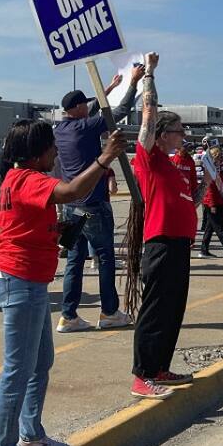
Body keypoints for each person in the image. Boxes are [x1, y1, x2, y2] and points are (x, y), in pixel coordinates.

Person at [0, 119, 127, 446]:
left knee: (39, 362)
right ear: (37, 153)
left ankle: (31, 436)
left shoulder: (15, 178)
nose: (56, 154)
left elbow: (28, 219)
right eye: (52, 148)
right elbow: (70, 192)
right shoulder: (28, 178)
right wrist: (105, 158)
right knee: (18, 369)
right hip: (20, 280)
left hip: (27, 279)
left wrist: (56, 229)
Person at [127, 53, 199, 400]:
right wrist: (150, 76)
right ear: (162, 134)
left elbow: (189, 203)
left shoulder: (173, 166)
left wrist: (210, 186)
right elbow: (148, 115)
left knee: (174, 309)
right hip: (160, 244)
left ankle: (159, 367)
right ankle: (142, 374)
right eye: (178, 131)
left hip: (180, 244)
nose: (182, 135)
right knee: (156, 309)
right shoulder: (149, 157)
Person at [53, 67, 143, 332]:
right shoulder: (86, 127)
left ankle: (68, 316)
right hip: (93, 203)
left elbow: (90, 109)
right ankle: (109, 312)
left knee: (74, 260)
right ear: (79, 107)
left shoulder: (61, 129)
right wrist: (133, 83)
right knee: (104, 257)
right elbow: (119, 111)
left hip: (71, 206)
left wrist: (109, 87)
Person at [199, 146, 223, 258]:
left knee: (210, 228)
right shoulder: (210, 169)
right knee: (220, 228)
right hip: (214, 202)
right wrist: (212, 204)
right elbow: (209, 189)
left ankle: (203, 249)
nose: (221, 158)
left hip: (220, 200)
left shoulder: (219, 168)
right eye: (219, 156)